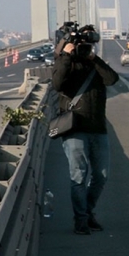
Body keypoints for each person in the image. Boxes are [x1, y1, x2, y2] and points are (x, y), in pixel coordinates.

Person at [52, 24, 120, 235]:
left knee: (101, 176)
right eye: (81, 45)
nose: (84, 47)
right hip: (75, 129)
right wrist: (66, 55)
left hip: (98, 128)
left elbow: (112, 79)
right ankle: (81, 220)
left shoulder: (94, 65)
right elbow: (57, 84)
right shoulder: (67, 63)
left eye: (88, 44)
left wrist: (92, 58)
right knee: (79, 177)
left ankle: (87, 212)